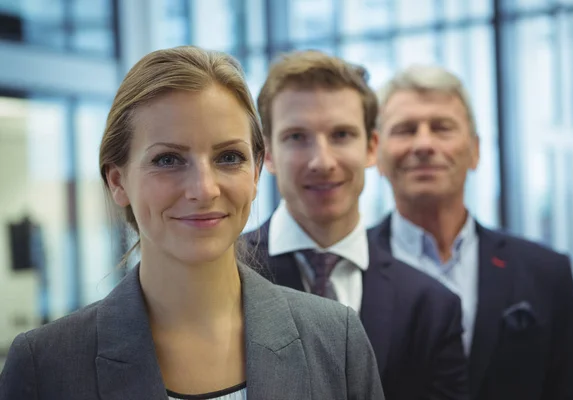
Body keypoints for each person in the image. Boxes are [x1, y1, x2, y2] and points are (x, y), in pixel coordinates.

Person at [0, 46, 384, 400]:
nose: (204, 188)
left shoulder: (336, 340)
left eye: (229, 157)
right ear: (118, 181)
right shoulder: (45, 365)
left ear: (254, 173)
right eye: (168, 159)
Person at [244, 50, 468, 400]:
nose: (322, 161)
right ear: (268, 153)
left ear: (371, 148)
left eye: (341, 135)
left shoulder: (431, 307)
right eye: (297, 137)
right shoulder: (223, 270)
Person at [373, 64, 573, 400]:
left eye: (442, 128)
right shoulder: (349, 269)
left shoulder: (546, 273)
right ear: (376, 154)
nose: (423, 143)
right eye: (405, 129)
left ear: (475, 150)